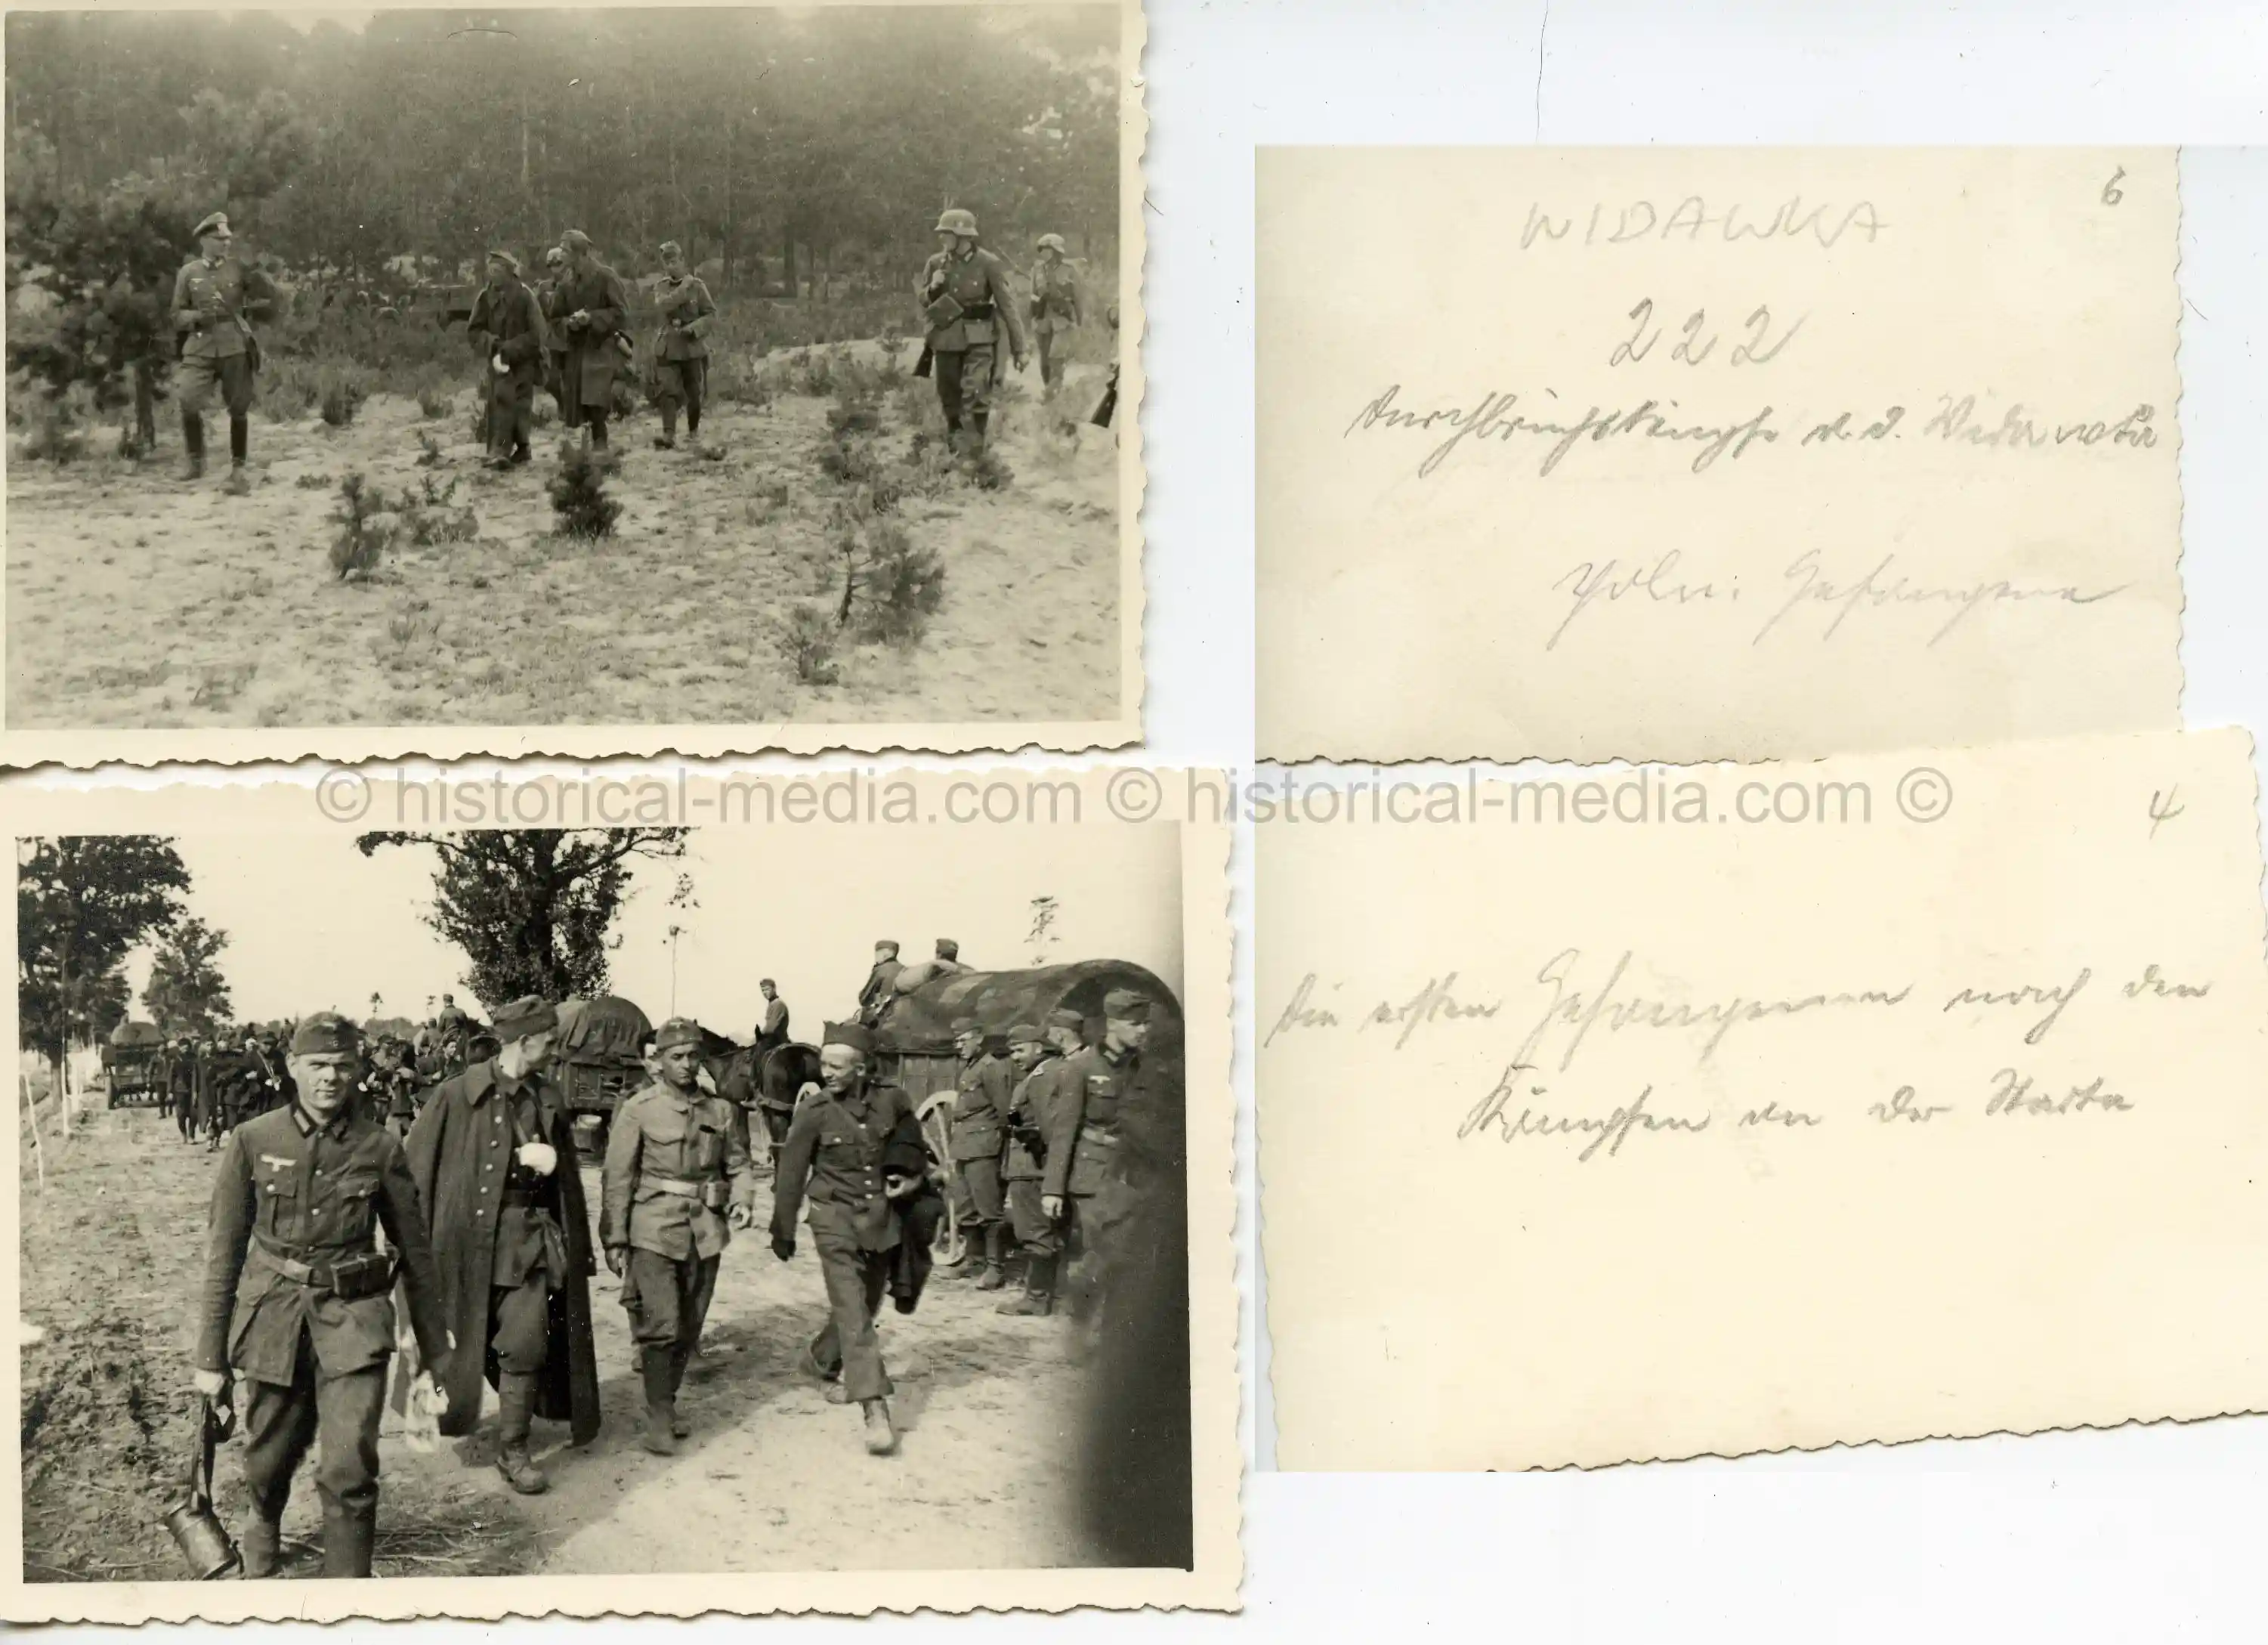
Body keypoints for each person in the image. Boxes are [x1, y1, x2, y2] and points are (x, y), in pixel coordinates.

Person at [191, 1013, 453, 1579]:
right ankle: (263, 1521)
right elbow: (223, 1256)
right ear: (292, 1068)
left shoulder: (380, 1147)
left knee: (350, 1463)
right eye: (317, 1066)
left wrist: (432, 1349)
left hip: (353, 1320)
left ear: (358, 1070)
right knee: (268, 1454)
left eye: (342, 1066)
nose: (330, 1078)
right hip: (274, 1317)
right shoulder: (254, 1140)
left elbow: (416, 1252)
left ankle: (348, 1593)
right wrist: (210, 1359)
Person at [406, 996, 601, 1493]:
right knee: (456, 1342)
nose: (556, 1051)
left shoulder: (549, 1097)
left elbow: (570, 1186)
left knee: (527, 1340)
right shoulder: (453, 1095)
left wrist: (553, 1167)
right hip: (461, 1246)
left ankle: (514, 1447)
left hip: (526, 1240)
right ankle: (440, 1413)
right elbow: (414, 1172)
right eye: (550, 1042)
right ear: (523, 1041)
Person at [771, 1021, 929, 1456]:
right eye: (824, 1064)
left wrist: (909, 1178)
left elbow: (912, 1147)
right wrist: (782, 1229)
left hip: (879, 1218)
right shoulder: (815, 1110)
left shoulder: (892, 1102)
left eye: (838, 1066)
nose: (827, 1072)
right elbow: (791, 1174)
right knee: (854, 1310)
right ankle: (874, 1408)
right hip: (832, 1218)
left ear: (862, 1069)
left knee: (868, 1302)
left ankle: (820, 1359)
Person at [601, 1017, 757, 1455]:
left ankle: (665, 1404)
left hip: (706, 1231)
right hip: (653, 1228)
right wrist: (614, 1238)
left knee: (689, 1327)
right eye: (678, 1057)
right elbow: (617, 1178)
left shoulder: (720, 1110)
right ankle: (660, 1417)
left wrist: (742, 1199)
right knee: (663, 1325)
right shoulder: (640, 1109)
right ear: (661, 1061)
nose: (687, 1065)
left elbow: (740, 1164)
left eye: (693, 1056)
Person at [1043, 989, 1154, 1319]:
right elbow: (1064, 1131)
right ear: (1114, 1024)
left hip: (1133, 1173)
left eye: (1146, 1023)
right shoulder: (1080, 1067)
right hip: (1094, 1176)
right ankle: (1089, 1320)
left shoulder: (1143, 1066)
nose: (1143, 1030)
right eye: (1135, 1024)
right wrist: (1052, 1188)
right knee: (1103, 1251)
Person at [170, 212, 273, 484]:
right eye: (219, 239)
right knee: (188, 399)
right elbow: (177, 314)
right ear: (204, 240)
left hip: (233, 345)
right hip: (200, 345)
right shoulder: (188, 273)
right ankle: (196, 462)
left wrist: (261, 286)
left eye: (228, 239)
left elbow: (266, 299)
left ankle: (239, 466)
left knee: (238, 406)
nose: (226, 244)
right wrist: (195, 317)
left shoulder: (238, 268)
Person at [916, 208, 1027, 456]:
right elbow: (923, 299)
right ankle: (956, 444)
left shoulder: (988, 263)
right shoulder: (935, 263)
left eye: (946, 234)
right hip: (945, 337)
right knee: (949, 394)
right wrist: (932, 287)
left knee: (977, 390)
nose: (942, 239)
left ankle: (976, 448)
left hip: (980, 338)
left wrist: (1020, 349)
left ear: (962, 236)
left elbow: (1007, 306)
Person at [997, 1009, 1082, 1315]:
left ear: (1037, 1046)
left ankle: (1036, 1298)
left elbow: (1052, 1128)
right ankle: (1044, 1295)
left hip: (1031, 1166)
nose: (1016, 1057)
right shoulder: (1038, 1074)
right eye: (1012, 1051)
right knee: (1038, 1231)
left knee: (1034, 1232)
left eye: (1020, 1050)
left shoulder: (1046, 1075)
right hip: (1029, 1165)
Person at [947, 1019, 1017, 1289]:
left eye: (964, 1040)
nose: (960, 1046)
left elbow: (1004, 1113)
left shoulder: (991, 1068)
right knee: (965, 1206)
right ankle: (973, 1258)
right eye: (957, 1042)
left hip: (984, 1148)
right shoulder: (971, 1067)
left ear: (979, 1038)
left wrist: (998, 1144)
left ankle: (995, 1268)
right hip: (965, 1146)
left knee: (989, 1210)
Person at [552, 228, 631, 450]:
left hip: (602, 346)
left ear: (581, 254)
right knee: (578, 405)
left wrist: (592, 318)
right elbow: (555, 318)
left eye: (565, 250)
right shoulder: (565, 283)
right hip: (577, 350)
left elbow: (622, 313)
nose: (561, 255)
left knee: (597, 400)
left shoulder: (606, 277)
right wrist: (570, 323)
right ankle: (586, 454)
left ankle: (601, 446)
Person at [468, 250, 545, 469]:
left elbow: (538, 334)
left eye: (498, 270)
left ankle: (511, 449)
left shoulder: (525, 296)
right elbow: (474, 330)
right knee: (500, 402)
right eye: (491, 270)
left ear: (511, 273)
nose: (493, 275)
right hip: (498, 362)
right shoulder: (485, 297)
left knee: (517, 406)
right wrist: (492, 343)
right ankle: (503, 449)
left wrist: (511, 347)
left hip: (523, 361)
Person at [648, 240, 715, 450]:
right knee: (667, 391)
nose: (671, 266)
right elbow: (664, 305)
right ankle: (668, 434)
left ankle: (693, 430)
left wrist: (694, 328)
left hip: (692, 347)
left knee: (694, 393)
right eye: (667, 263)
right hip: (669, 345)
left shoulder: (698, 286)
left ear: (683, 261)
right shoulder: (661, 287)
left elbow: (711, 315)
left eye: (674, 261)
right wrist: (683, 288)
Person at [1028, 233, 1083, 395]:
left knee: (1056, 356)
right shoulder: (1036, 270)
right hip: (1043, 319)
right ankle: (1049, 387)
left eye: (1047, 249)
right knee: (1045, 359)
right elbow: (1032, 294)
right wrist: (1035, 311)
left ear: (1056, 251)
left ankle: (1053, 392)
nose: (1044, 253)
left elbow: (1078, 296)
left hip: (1062, 321)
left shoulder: (1069, 270)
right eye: (1042, 250)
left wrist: (1079, 319)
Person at [534, 246, 573, 416]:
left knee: (572, 379)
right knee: (550, 380)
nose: (556, 268)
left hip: (573, 337)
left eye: (559, 264)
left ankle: (571, 412)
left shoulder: (576, 285)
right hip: (553, 339)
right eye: (552, 265)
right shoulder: (544, 287)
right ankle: (563, 404)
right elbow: (536, 311)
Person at [855, 940, 902, 1026]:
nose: (876, 957)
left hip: (883, 1018)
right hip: (901, 1018)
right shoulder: (904, 969)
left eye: (877, 954)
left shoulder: (881, 970)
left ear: (886, 953)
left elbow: (864, 999)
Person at [755, 979, 790, 1054]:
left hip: (777, 1042)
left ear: (774, 989)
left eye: (767, 989)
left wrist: (760, 1035)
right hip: (771, 1041)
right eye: (763, 990)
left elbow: (771, 1027)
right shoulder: (772, 1004)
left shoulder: (778, 1004)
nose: (765, 993)